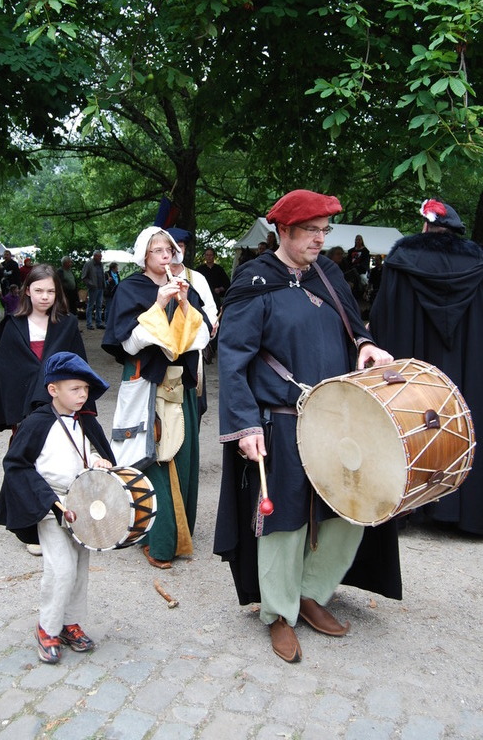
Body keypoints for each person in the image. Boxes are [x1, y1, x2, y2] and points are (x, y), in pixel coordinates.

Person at [214, 189, 402, 664]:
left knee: (350, 508)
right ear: (284, 231)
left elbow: (353, 327)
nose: (320, 239)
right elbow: (233, 361)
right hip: (280, 420)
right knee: (285, 519)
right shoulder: (255, 282)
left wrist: (365, 344)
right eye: (310, 231)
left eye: (324, 230)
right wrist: (245, 426)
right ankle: (279, 612)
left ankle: (313, 592)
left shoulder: (328, 274)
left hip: (337, 418)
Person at [369, 198, 483, 535]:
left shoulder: (402, 258)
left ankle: (407, 508)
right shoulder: (477, 262)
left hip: (416, 362)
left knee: (412, 421)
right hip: (467, 361)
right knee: (465, 419)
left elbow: (383, 315)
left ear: (426, 226)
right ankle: (466, 514)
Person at [0, 351, 115, 663]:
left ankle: (69, 623)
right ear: (53, 390)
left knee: (80, 566)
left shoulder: (86, 422)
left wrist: (99, 461)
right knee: (61, 568)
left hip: (82, 505)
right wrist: (49, 500)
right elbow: (17, 465)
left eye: (85, 389)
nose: (83, 395)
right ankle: (47, 628)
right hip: (49, 504)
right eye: (75, 389)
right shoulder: (36, 423)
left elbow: (95, 452)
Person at [102, 227, 211, 569]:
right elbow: (128, 343)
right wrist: (159, 305)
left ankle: (179, 534)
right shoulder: (131, 289)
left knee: (182, 455)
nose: (166, 255)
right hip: (147, 385)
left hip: (181, 386)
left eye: (170, 249)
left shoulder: (185, 287)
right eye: (158, 250)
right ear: (144, 256)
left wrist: (183, 303)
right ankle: (156, 539)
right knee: (153, 455)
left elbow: (203, 335)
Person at [0, 263, 90, 434]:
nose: (44, 297)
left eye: (50, 291)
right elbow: (2, 369)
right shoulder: (14, 325)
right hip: (23, 399)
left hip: (59, 400)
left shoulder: (67, 324)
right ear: (27, 291)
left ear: (57, 293)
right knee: (27, 444)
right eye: (38, 291)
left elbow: (78, 365)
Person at [168, 227, 219, 417]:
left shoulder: (197, 279)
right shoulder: (154, 278)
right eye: (171, 247)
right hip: (162, 353)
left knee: (194, 406)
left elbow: (211, 311)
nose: (175, 251)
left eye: (180, 246)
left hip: (191, 353)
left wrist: (210, 326)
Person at [195, 247, 230, 311]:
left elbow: (227, 284)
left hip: (216, 298)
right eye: (207, 255)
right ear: (205, 256)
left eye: (211, 255)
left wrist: (219, 289)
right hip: (202, 298)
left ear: (214, 256)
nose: (209, 257)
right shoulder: (199, 269)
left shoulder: (219, 269)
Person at [81, 250, 106, 330]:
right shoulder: (88, 264)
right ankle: (89, 324)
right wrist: (91, 284)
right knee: (90, 306)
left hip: (101, 288)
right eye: (99, 256)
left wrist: (104, 284)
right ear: (95, 256)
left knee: (99, 306)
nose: (101, 258)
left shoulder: (100, 264)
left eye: (101, 256)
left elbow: (102, 275)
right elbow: (84, 277)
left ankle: (99, 323)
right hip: (93, 288)